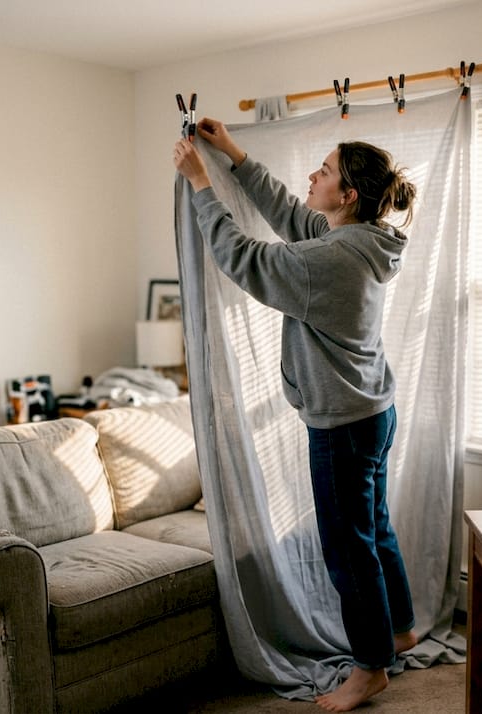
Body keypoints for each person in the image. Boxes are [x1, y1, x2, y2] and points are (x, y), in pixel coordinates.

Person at [173, 118, 418, 712]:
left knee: (346, 547)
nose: (312, 176)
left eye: (325, 170)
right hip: (373, 412)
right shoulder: (362, 240)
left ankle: (369, 670)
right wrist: (233, 152)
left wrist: (202, 183)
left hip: (342, 425)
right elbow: (289, 213)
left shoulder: (329, 259)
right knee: (374, 530)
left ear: (348, 196)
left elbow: (242, 257)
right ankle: (400, 631)